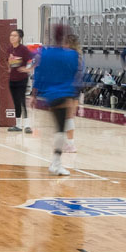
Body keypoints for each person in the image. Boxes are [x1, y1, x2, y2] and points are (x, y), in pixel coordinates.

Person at [32, 24, 82, 175]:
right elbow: (76, 75)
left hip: (49, 94)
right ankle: (56, 163)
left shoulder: (44, 53)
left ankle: (56, 162)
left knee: (59, 128)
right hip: (65, 93)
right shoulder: (72, 55)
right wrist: (74, 96)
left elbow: (39, 73)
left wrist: (34, 94)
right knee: (60, 129)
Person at [3, 26, 34, 133]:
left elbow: (35, 59)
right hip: (12, 79)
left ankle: (27, 125)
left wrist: (28, 69)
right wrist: (9, 67)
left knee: (22, 101)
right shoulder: (9, 49)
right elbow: (8, 62)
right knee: (15, 102)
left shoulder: (24, 49)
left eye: (15, 35)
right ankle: (18, 125)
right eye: (11, 35)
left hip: (22, 79)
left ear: (19, 38)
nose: (12, 37)